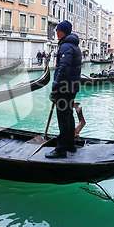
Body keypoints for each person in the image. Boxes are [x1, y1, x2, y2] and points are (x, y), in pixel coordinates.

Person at [46, 20, 82, 159]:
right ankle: (71, 145)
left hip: (64, 88)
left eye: (58, 30)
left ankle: (61, 149)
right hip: (71, 87)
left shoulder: (66, 46)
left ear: (63, 31)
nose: (56, 32)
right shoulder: (73, 46)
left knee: (63, 118)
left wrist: (55, 88)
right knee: (68, 115)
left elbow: (63, 70)